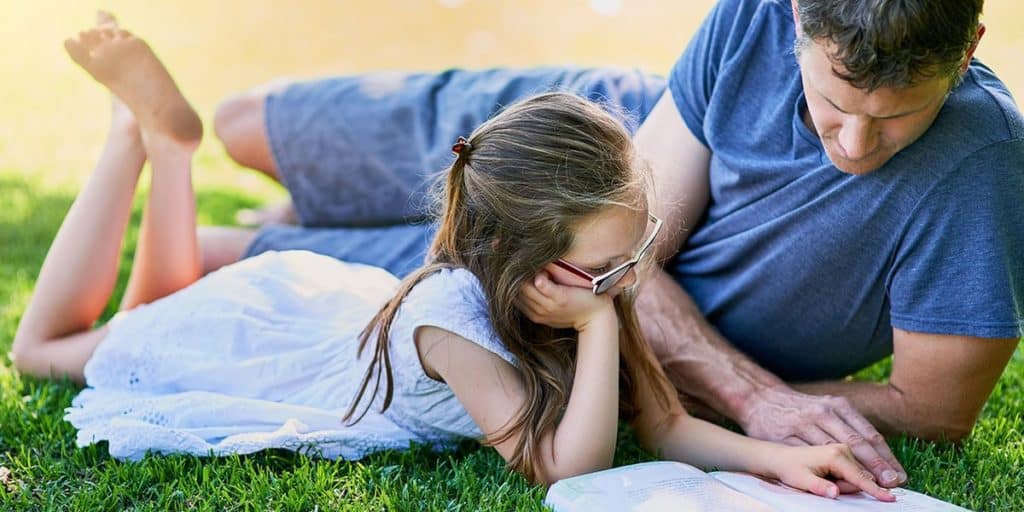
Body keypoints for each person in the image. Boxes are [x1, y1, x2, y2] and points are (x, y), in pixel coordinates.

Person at [10, 15, 898, 499]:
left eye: (633, 261)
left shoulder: (600, 276)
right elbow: (565, 467)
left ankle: (169, 152)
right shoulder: (452, 325)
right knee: (45, 351)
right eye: (608, 272)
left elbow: (661, 426)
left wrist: (776, 461)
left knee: (157, 298)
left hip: (309, 308)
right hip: (270, 353)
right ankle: (137, 142)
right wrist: (594, 326)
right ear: (522, 261)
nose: (632, 283)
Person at [209, 0, 1024, 490]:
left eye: (896, 117)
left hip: (564, 275)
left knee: (235, 269)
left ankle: (274, 231)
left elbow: (938, 413)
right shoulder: (751, 18)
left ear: (971, 46)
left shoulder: (983, 164)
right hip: (572, 153)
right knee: (242, 126)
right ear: (795, 18)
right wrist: (747, 397)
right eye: (830, 100)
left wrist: (745, 416)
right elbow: (639, 248)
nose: (852, 143)